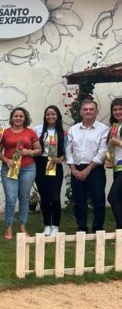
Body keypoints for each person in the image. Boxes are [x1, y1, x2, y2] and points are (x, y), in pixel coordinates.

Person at [0, 107, 41, 239]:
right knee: (11, 198)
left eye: (21, 116)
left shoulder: (30, 132)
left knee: (24, 198)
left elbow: (39, 150)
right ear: (12, 118)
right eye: (16, 116)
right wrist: (6, 160)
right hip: (9, 169)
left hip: (28, 169)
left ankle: (22, 225)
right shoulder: (5, 132)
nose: (18, 118)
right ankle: (9, 226)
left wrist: (29, 152)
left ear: (25, 118)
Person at [66, 100, 109, 233]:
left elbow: (102, 151)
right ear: (81, 112)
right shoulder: (73, 129)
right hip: (76, 169)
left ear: (96, 112)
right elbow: (68, 150)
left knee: (98, 200)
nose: (88, 111)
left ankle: (98, 228)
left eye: (91, 109)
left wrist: (88, 169)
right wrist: (73, 169)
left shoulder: (103, 129)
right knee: (79, 201)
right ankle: (82, 227)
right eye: (85, 109)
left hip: (95, 169)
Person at [34, 106, 67, 236]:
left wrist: (60, 159)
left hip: (55, 163)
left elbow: (66, 151)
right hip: (40, 163)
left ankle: (56, 225)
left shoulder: (63, 133)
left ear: (57, 116)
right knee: (44, 196)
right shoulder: (37, 130)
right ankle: (47, 225)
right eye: (48, 114)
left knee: (55, 197)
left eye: (53, 114)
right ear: (45, 116)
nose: (50, 116)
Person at [107, 97, 122, 228]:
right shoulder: (115, 127)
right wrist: (109, 160)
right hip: (117, 168)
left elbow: (117, 144)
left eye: (120, 109)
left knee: (112, 197)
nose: (117, 112)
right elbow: (111, 148)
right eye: (115, 110)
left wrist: (119, 143)